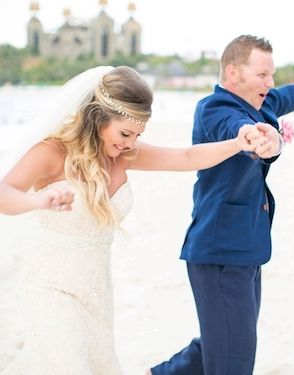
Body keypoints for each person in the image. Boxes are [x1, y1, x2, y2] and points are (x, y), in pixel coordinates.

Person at [0, 65, 266, 375]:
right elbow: (4, 191)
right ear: (98, 118)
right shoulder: (51, 152)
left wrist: (237, 144)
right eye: (125, 133)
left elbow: (185, 158)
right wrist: (37, 200)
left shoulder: (124, 155)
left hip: (96, 291)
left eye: (138, 135)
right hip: (51, 287)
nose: (130, 143)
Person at [150, 35, 294, 375]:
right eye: (262, 75)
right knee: (234, 357)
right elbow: (239, 130)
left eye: (271, 75)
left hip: (245, 247)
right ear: (233, 74)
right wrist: (257, 139)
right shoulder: (215, 109)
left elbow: (291, 95)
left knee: (224, 341)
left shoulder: (262, 102)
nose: (270, 83)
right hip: (220, 251)